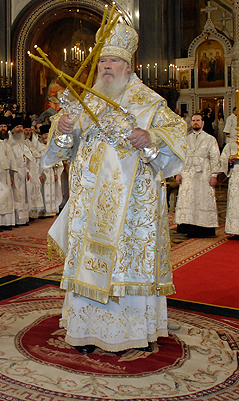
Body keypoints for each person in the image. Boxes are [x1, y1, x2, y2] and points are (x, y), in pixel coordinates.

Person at [43, 22, 186, 353]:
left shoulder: (149, 102)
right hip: (89, 203)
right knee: (88, 261)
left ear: (128, 66)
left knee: (123, 263)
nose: (106, 67)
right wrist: (62, 128)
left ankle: (128, 333)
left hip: (132, 205)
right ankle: (84, 331)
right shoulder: (86, 101)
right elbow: (62, 147)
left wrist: (151, 138)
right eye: (103, 61)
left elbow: (177, 141)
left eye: (113, 62)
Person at [175, 113, 221, 238]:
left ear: (203, 123)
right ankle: (187, 227)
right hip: (188, 173)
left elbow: (215, 158)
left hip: (203, 174)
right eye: (194, 120)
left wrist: (214, 175)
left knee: (203, 199)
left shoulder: (210, 139)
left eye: (198, 120)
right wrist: (178, 173)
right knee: (188, 199)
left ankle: (204, 229)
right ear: (191, 123)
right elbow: (180, 157)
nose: (196, 122)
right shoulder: (185, 139)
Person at [8, 117, 35, 225]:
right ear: (13, 129)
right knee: (16, 194)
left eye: (21, 127)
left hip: (23, 172)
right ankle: (16, 219)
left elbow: (28, 158)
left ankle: (24, 218)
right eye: (17, 127)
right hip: (15, 172)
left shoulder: (22, 142)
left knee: (24, 195)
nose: (20, 129)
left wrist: (28, 170)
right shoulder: (9, 142)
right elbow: (9, 159)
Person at [32, 124, 62, 217]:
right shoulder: (37, 146)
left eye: (47, 134)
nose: (46, 136)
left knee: (52, 191)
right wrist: (38, 174)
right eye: (44, 134)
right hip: (42, 172)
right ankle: (42, 211)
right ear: (41, 135)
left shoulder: (53, 146)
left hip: (51, 172)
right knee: (42, 190)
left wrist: (57, 173)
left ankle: (51, 210)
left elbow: (57, 160)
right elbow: (35, 161)